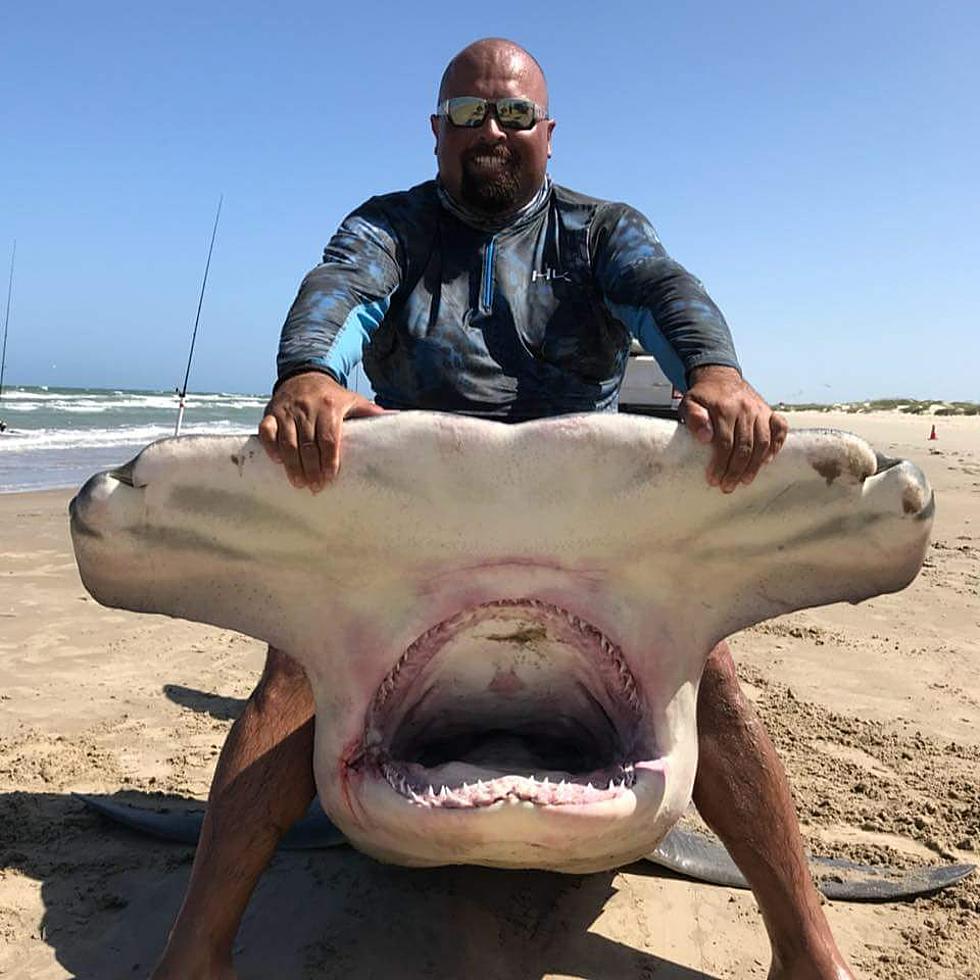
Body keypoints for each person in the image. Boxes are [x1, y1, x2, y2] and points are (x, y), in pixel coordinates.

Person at [154, 38, 854, 980]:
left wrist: (717, 373)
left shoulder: (601, 233)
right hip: (414, 529)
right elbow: (340, 291)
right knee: (294, 674)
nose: (493, 130)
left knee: (712, 677)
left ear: (550, 136)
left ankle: (806, 954)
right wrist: (310, 372)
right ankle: (195, 955)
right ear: (435, 132)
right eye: (469, 113)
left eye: (515, 115)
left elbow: (665, 292)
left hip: (591, 534)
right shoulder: (390, 229)